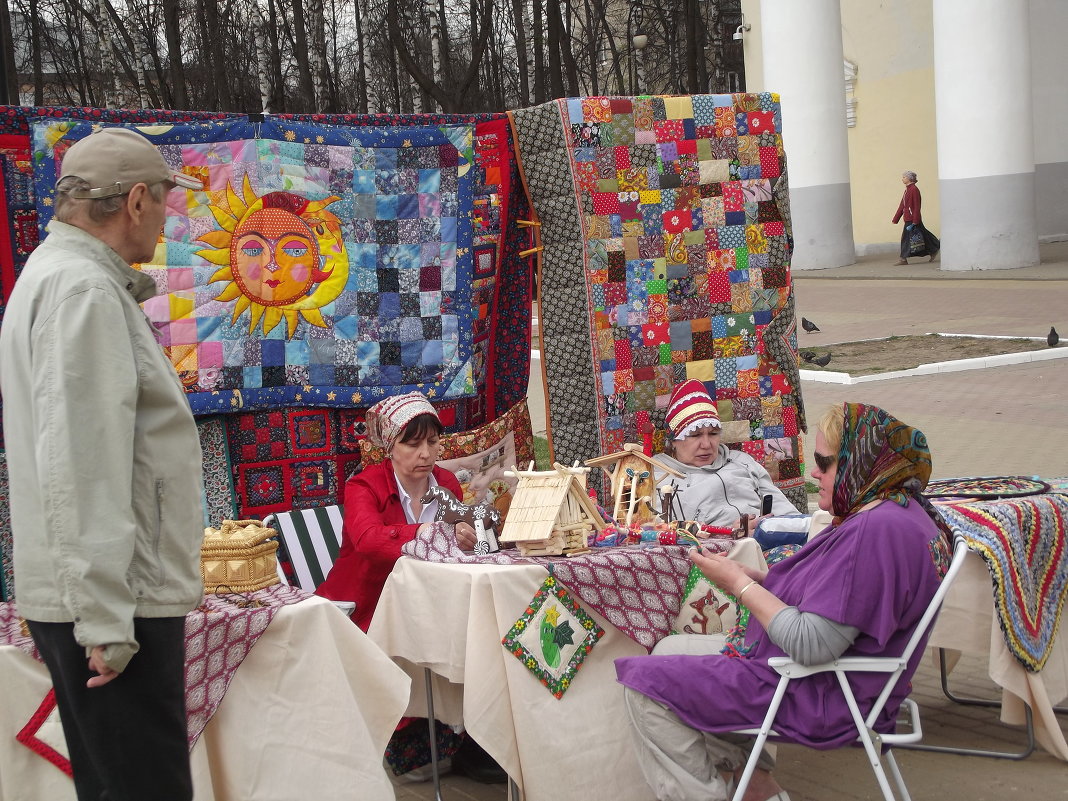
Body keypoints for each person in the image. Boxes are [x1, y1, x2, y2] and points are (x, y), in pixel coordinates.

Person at [0, 128, 205, 801]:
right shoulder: (81, 290)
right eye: (166, 203)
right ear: (136, 200)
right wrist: (105, 617)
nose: (167, 220)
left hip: (106, 593)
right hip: (120, 600)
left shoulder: (55, 275)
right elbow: (82, 463)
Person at [614, 402, 953, 801]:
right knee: (670, 649)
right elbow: (839, 598)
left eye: (825, 463)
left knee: (643, 683)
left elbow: (813, 644)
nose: (813, 473)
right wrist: (763, 579)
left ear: (861, 464)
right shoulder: (903, 513)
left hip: (820, 691)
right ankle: (756, 785)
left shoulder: (875, 533)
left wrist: (740, 585)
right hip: (843, 676)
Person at [316, 391, 477, 630]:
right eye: (413, 444)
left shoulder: (447, 483)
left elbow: (454, 548)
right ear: (390, 447)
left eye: (432, 442)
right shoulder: (363, 486)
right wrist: (424, 531)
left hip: (426, 605)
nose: (425, 453)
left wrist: (465, 536)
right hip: (362, 609)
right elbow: (368, 541)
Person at [656, 380, 798, 532]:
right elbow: (662, 535)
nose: (706, 444)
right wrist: (730, 533)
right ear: (673, 441)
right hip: (714, 550)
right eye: (695, 435)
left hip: (768, 541)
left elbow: (789, 516)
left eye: (713, 434)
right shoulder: (656, 476)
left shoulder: (741, 461)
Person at [892, 170, 940, 265]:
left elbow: (917, 206)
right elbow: (902, 205)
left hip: (912, 218)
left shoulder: (914, 189)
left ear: (909, 178)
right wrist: (896, 218)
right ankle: (934, 248)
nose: (902, 179)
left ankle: (903, 259)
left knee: (905, 238)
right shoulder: (907, 190)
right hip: (909, 218)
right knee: (924, 235)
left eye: (904, 177)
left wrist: (915, 221)